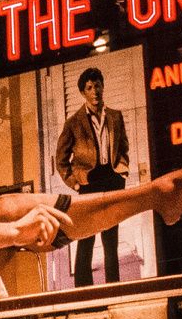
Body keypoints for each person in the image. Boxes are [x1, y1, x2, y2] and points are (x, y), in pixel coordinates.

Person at [0, 148, 182, 302]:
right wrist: (15, 232)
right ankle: (157, 194)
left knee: (7, 209)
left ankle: (157, 195)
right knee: (6, 213)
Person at [54, 68, 129, 285]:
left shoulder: (116, 116)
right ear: (82, 93)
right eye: (89, 87)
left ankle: (114, 287)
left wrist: (122, 171)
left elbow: (123, 147)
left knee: (111, 239)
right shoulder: (74, 122)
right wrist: (75, 184)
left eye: (98, 85)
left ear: (103, 87)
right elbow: (61, 159)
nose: (95, 91)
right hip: (89, 183)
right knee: (86, 238)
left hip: (112, 180)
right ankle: (83, 291)